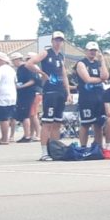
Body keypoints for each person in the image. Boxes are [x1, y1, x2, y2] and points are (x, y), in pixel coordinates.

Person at [26, 32, 72, 160]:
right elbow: (29, 63)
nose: (58, 42)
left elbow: (64, 75)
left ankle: (54, 149)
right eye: (56, 40)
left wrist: (68, 92)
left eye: (60, 40)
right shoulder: (46, 53)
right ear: (52, 41)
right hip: (50, 92)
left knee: (57, 123)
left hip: (60, 92)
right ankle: (44, 152)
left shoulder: (61, 56)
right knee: (47, 122)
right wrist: (41, 73)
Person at [75, 42, 110, 150]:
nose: (93, 52)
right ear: (86, 51)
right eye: (91, 50)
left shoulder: (97, 63)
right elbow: (87, 79)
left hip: (99, 97)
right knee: (86, 123)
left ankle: (98, 146)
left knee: (98, 124)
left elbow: (106, 76)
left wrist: (102, 61)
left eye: (95, 50)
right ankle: (83, 147)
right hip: (86, 98)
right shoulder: (81, 63)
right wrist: (100, 80)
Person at [0, 52, 18, 145]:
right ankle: (5, 137)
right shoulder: (11, 70)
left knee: (3, 119)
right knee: (9, 117)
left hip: (2, 96)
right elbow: (15, 83)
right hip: (12, 96)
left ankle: (5, 138)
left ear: (1, 60)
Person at [12, 53, 37, 144]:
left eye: (13, 60)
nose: (13, 63)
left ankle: (27, 135)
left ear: (18, 60)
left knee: (25, 115)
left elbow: (32, 81)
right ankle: (27, 134)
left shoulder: (26, 68)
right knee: (24, 115)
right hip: (22, 94)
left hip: (27, 94)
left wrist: (21, 87)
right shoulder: (20, 69)